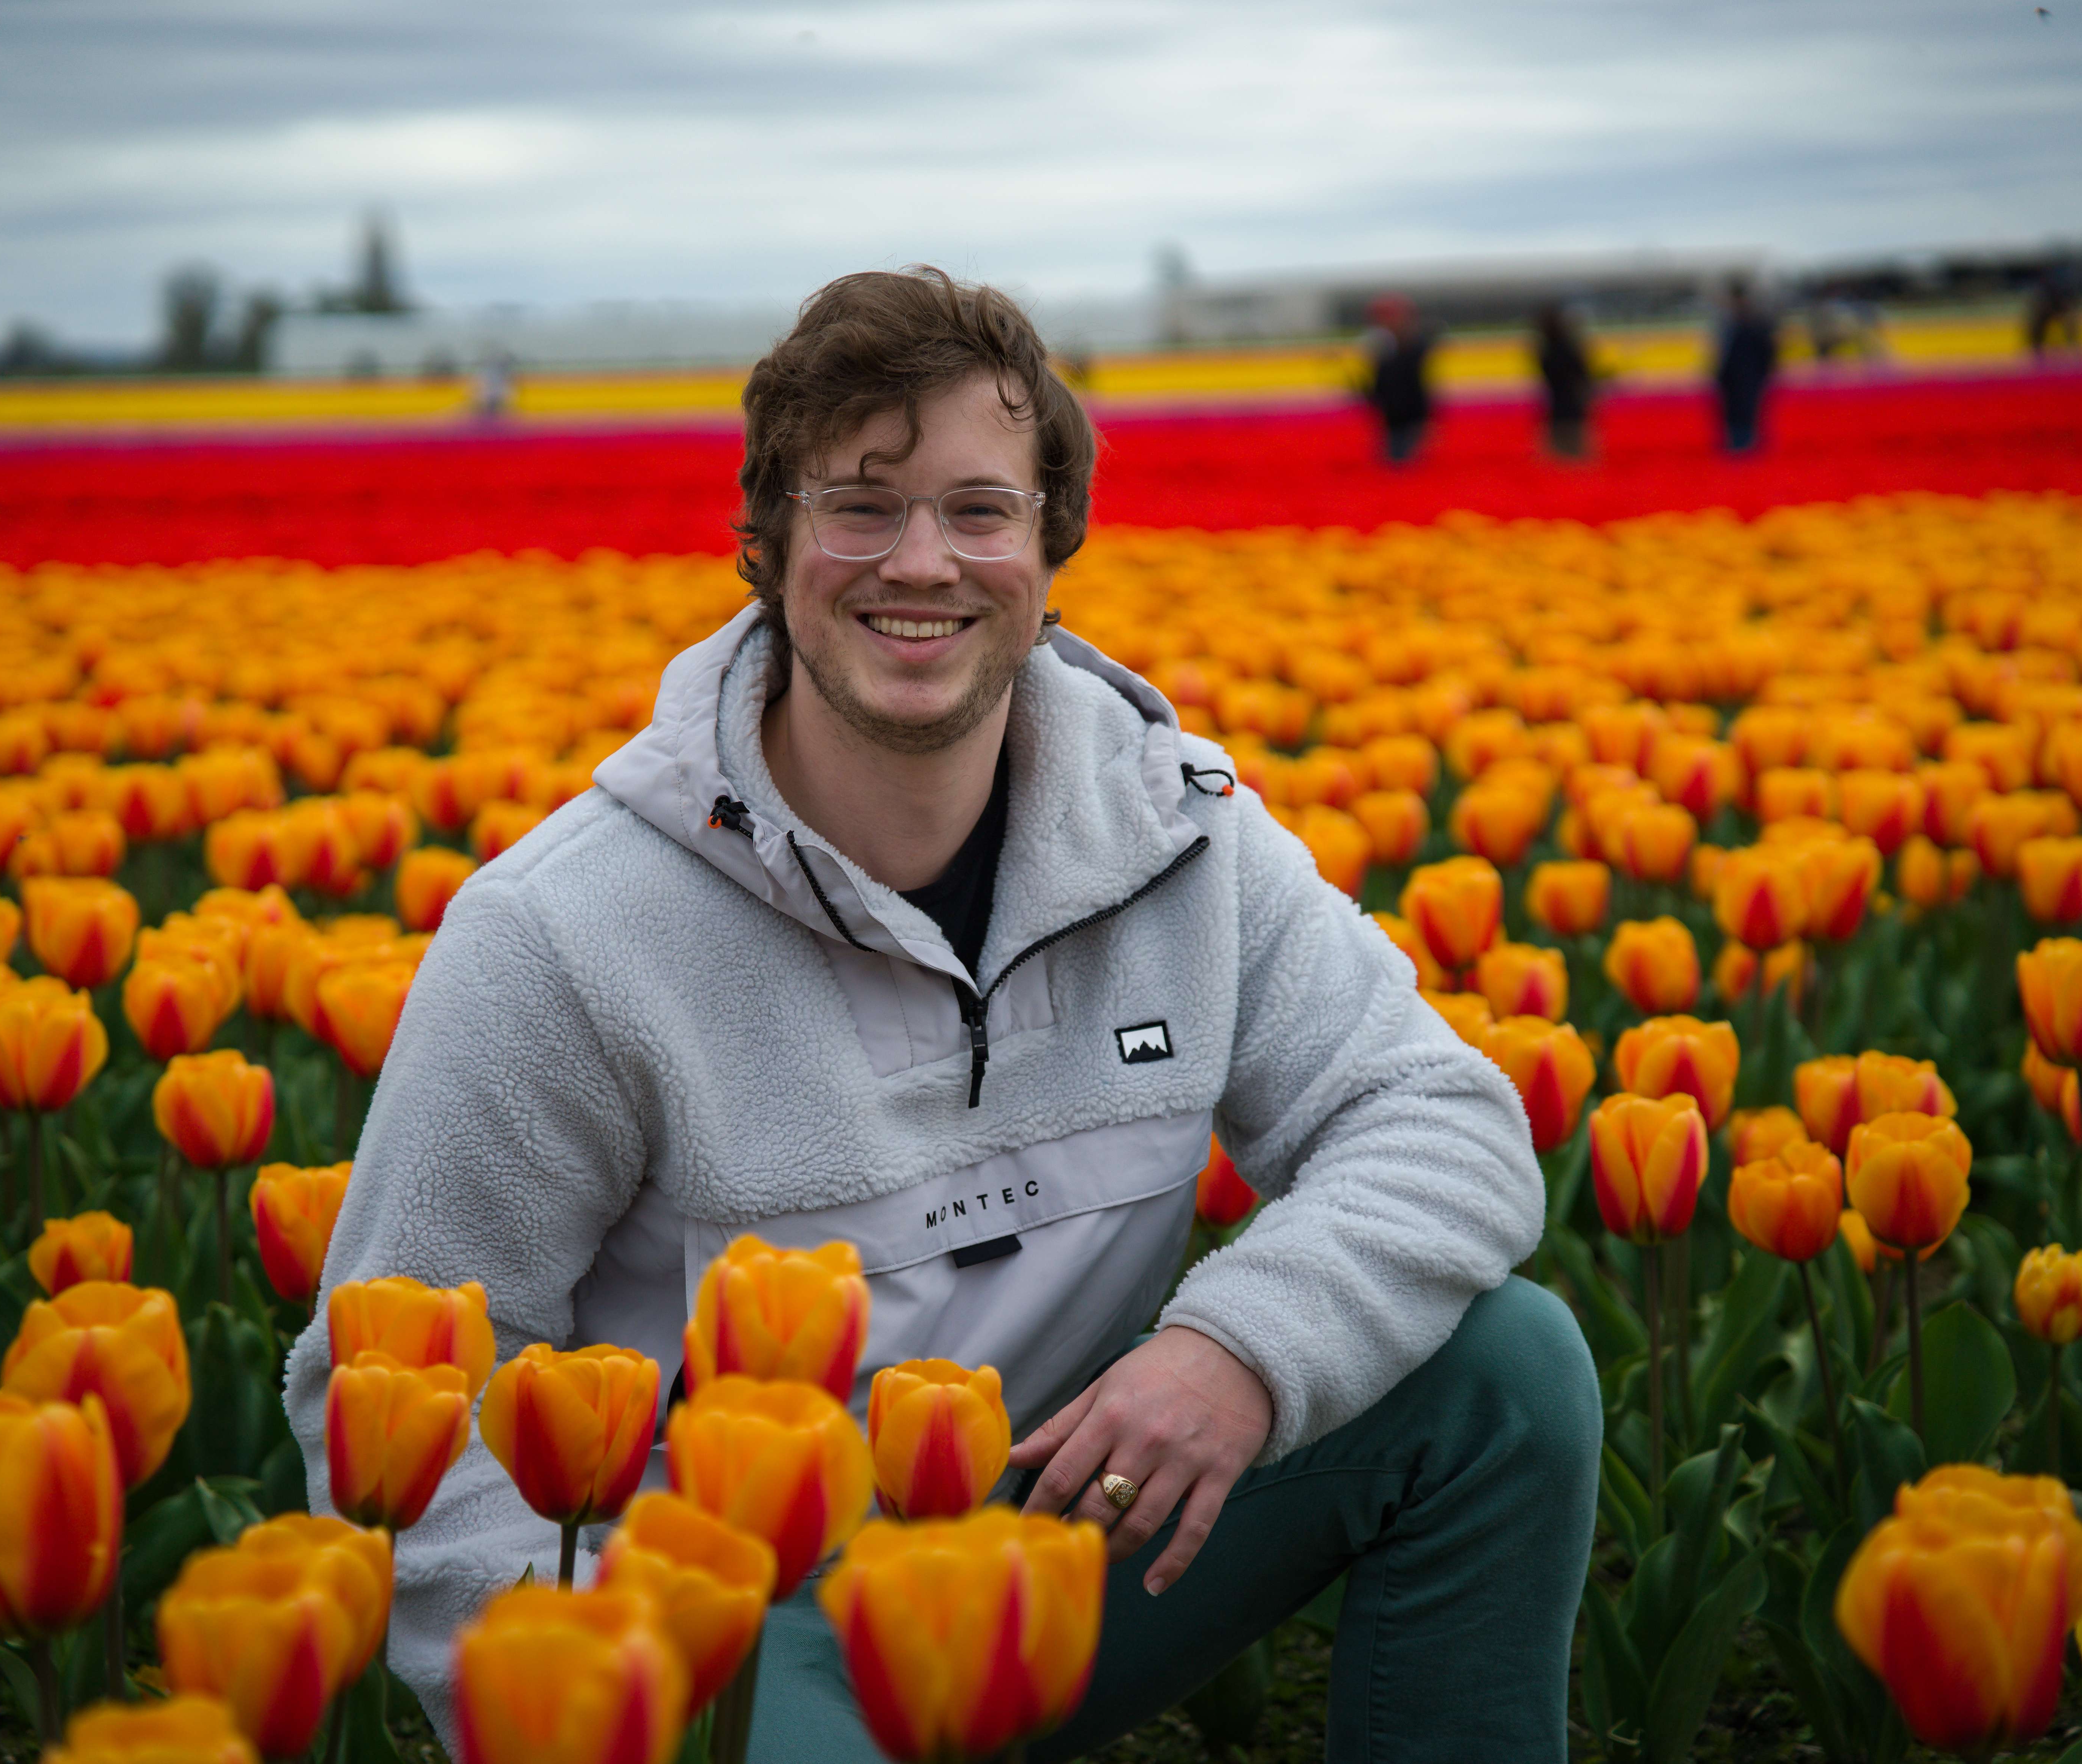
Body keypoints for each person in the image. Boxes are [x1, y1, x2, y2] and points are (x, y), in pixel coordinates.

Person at [285, 266, 1595, 1762]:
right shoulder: (566, 933)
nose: (923, 563)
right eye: (862, 507)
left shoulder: (1179, 842)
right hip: (726, 1631)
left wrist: (1235, 1350)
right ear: (768, 542)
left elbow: (1444, 1120)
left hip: (1056, 1537)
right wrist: (579, 1698)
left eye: (980, 511)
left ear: (1049, 545)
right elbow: (398, 1376)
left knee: (1503, 1374)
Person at [1358, 291, 1437, 466]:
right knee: (1395, 460)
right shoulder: (1381, 344)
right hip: (1392, 413)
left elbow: (1410, 378)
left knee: (1404, 460)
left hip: (1410, 411)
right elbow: (1379, 384)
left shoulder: (1415, 344)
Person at [1710, 276, 1777, 454]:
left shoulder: (1754, 321)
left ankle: (1746, 445)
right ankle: (1737, 444)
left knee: (1748, 411)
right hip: (1731, 378)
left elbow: (1767, 350)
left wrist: (1762, 372)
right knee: (1732, 412)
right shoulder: (1728, 322)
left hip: (1749, 377)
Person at [1532, 302, 1595, 459]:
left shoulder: (1545, 353)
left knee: (1559, 461)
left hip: (1556, 413)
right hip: (1572, 413)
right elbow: (1583, 377)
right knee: (1575, 459)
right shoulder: (1568, 351)